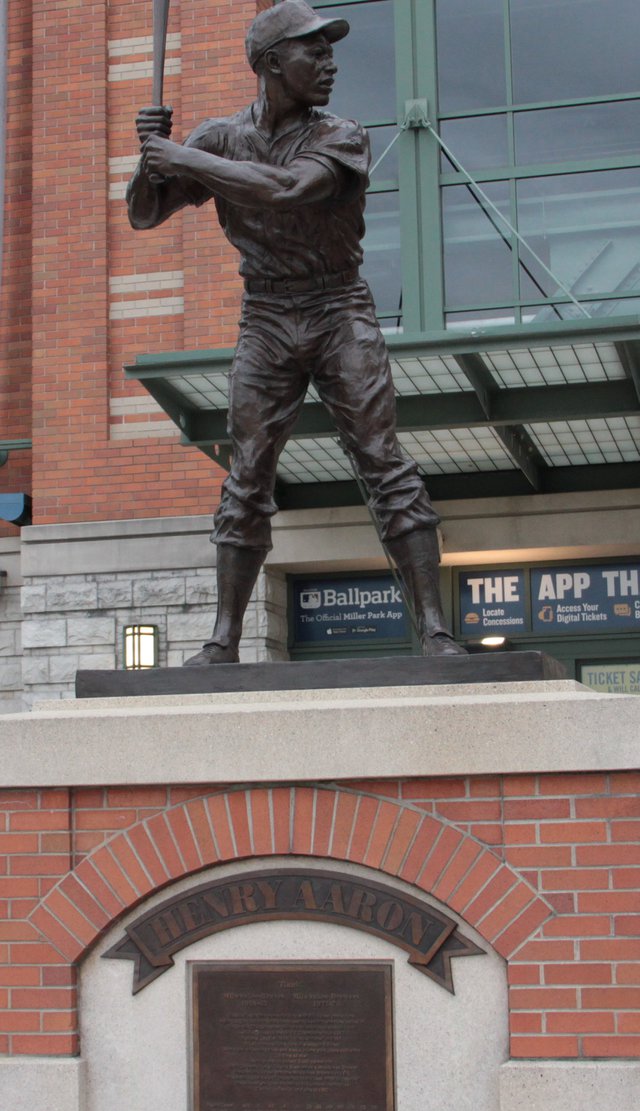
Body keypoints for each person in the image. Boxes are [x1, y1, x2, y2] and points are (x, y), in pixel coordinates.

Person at [127, 0, 466, 664]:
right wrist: (150, 159)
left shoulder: (342, 134)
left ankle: (435, 629)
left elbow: (283, 189)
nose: (331, 64)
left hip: (339, 307)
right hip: (266, 316)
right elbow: (144, 216)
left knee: (383, 462)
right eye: (316, 52)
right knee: (246, 474)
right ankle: (223, 640)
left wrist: (184, 157)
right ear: (273, 65)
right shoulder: (220, 137)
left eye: (330, 51)